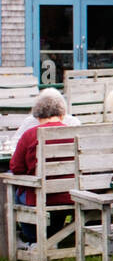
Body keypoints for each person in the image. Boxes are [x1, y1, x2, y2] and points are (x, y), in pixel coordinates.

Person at [10, 89, 74, 245]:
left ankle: (34, 239)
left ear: (37, 115)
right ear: (62, 113)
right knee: (50, 192)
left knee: (15, 193)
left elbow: (17, 168)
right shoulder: (73, 132)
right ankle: (54, 237)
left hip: (41, 195)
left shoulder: (30, 134)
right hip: (71, 193)